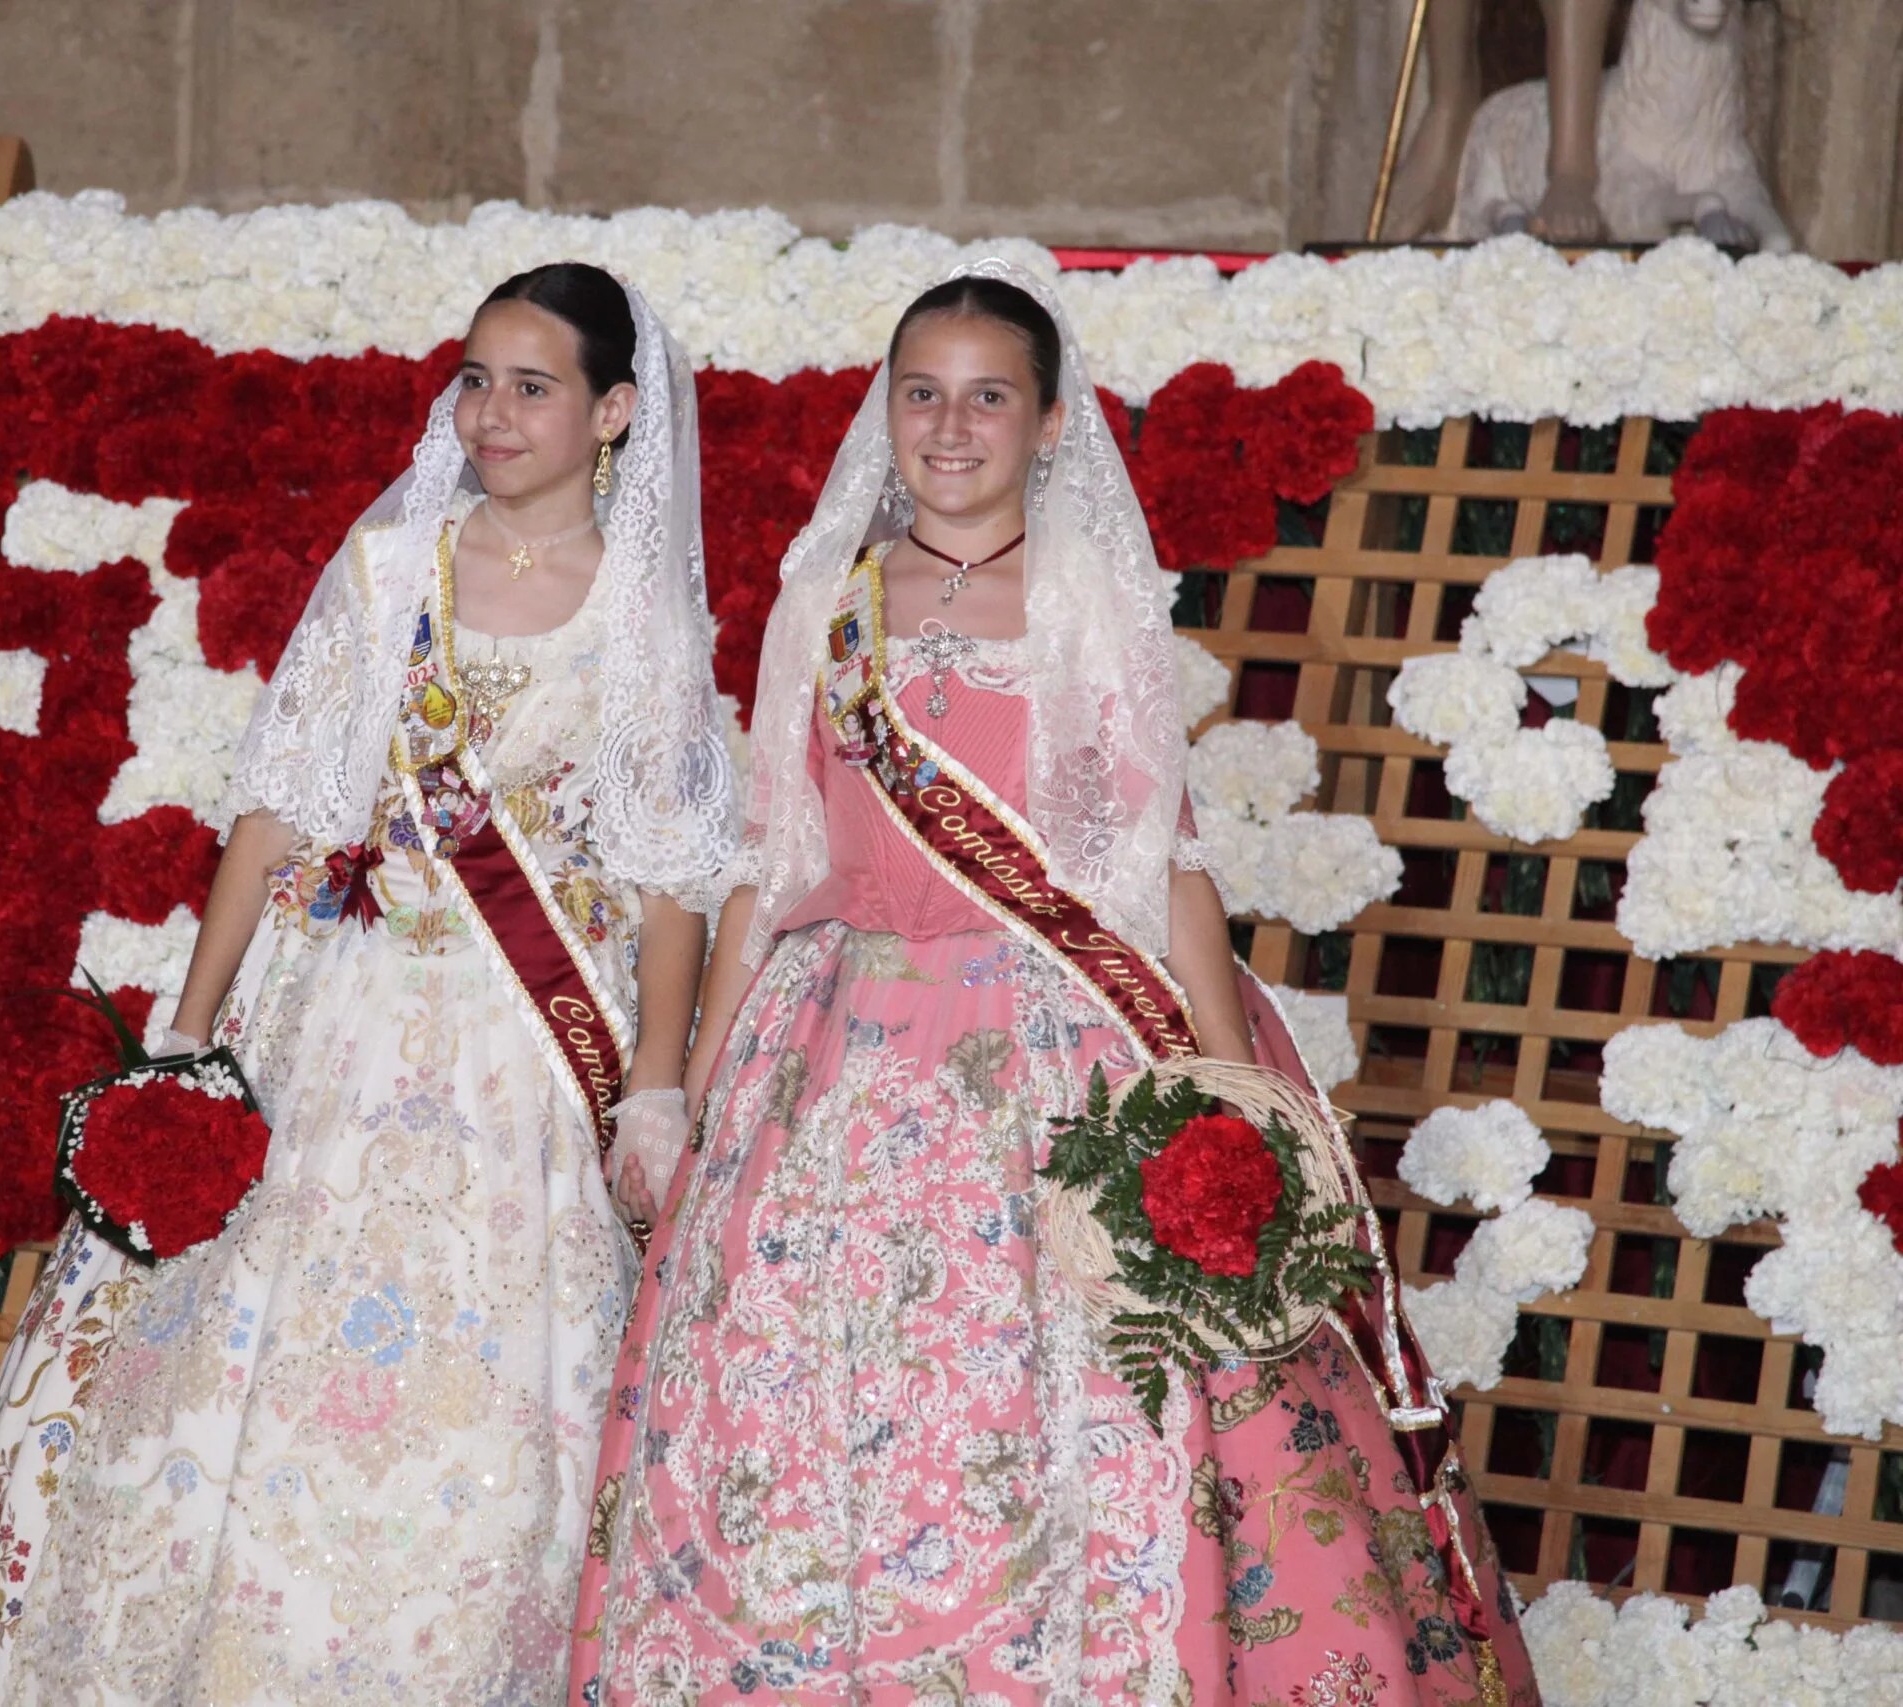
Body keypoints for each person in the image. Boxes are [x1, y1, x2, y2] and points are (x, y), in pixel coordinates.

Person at [566, 265, 1538, 1707]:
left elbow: (1165, 862)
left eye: (988, 396)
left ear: (1049, 421)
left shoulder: (1089, 596)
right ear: (885, 411)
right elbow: (771, 867)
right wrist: (693, 1095)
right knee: (810, 1407)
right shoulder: (830, 602)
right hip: (828, 1060)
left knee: (1086, 1408)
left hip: (1060, 1054)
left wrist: (1235, 1089)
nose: (951, 427)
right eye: (922, 393)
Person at [0, 262, 735, 1706]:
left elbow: (672, 875)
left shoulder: (649, 619)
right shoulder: (388, 565)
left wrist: (655, 1082)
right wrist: (190, 1028)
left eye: (533, 386)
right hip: (335, 1011)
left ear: (613, 413)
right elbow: (281, 804)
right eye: (474, 378)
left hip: (525, 1062)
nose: (491, 412)